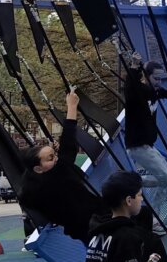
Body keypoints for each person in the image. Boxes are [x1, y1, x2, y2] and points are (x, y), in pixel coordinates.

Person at [20, 90, 110, 244]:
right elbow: (69, 145)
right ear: (38, 168)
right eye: (50, 158)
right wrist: (72, 106)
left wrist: (53, 153)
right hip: (94, 220)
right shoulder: (55, 177)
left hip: (78, 227)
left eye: (54, 154)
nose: (56, 159)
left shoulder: (31, 185)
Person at [123, 58, 167, 221]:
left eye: (161, 78)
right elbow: (130, 89)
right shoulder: (137, 93)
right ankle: (153, 215)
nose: (159, 82)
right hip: (137, 145)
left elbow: (161, 92)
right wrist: (134, 67)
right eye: (156, 78)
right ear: (145, 76)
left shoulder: (152, 91)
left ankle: (134, 182)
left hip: (147, 145)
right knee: (165, 178)